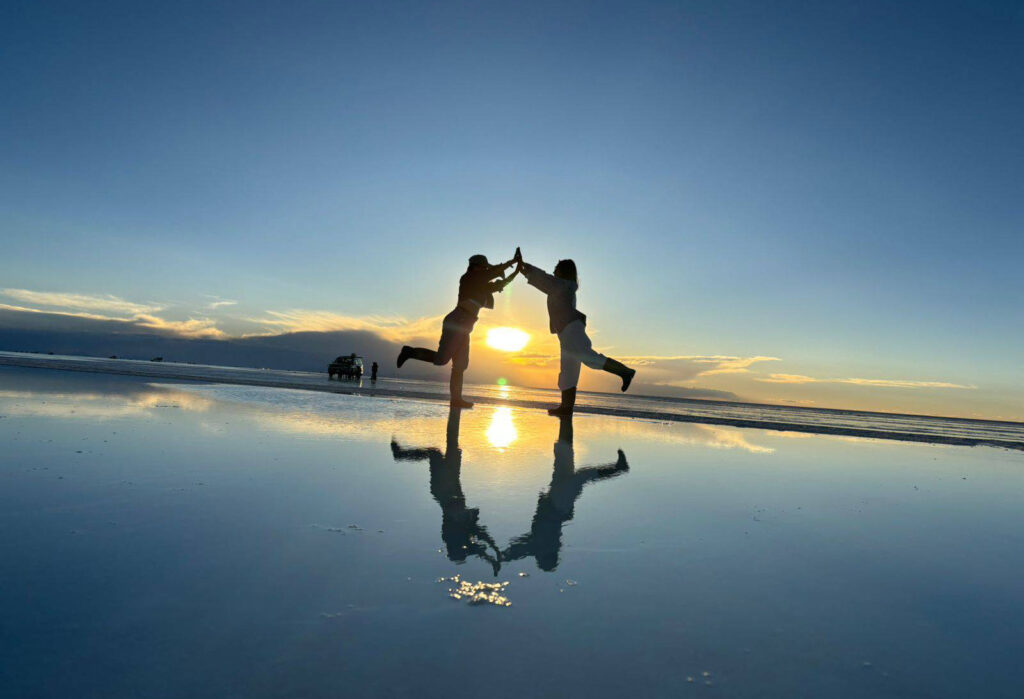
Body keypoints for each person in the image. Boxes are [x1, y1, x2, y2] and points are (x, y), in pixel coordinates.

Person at [515, 248, 636, 415]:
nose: (553, 271)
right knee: (568, 372)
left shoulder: (565, 285)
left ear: (563, 271)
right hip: (566, 332)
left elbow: (543, 279)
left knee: (589, 358)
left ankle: (625, 371)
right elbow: (543, 279)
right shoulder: (563, 285)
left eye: (556, 268)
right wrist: (522, 268)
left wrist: (523, 266)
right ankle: (566, 408)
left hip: (571, 330)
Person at [502, 416, 629, 571]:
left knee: (564, 454)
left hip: (555, 500)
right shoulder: (543, 547)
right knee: (580, 474)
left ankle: (565, 418)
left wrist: (504, 557)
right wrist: (505, 556)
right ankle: (618, 468)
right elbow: (520, 550)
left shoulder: (536, 547)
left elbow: (518, 551)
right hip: (559, 503)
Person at [397, 253, 519, 408]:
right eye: (483, 267)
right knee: (442, 360)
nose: (485, 270)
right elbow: (492, 273)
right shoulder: (469, 278)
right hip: (457, 320)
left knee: (460, 365)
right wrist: (512, 262)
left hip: (465, 325)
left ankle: (456, 400)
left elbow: (500, 283)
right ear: (476, 267)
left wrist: (516, 271)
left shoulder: (482, 285)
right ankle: (409, 352)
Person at [390, 408, 501, 576]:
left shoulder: (453, 532)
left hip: (443, 489)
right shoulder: (464, 535)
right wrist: (494, 554)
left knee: (435, 453)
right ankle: (402, 454)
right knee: (450, 451)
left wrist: (493, 553)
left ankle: (401, 455)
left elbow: (479, 539)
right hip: (451, 487)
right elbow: (480, 543)